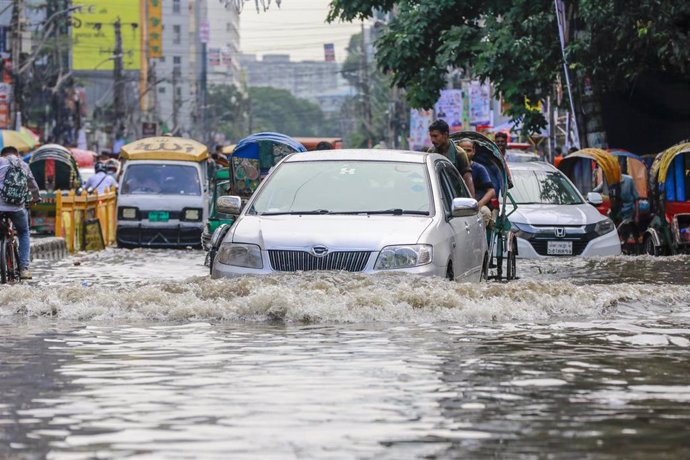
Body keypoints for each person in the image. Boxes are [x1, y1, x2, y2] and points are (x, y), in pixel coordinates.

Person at [0, 146, 41, 279]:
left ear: (2, 155)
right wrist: (35, 199)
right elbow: (33, 186)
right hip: (17, 207)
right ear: (17, 154)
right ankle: (24, 268)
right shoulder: (23, 164)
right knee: (23, 232)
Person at [427, 119, 475, 196]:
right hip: (436, 197)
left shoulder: (460, 153)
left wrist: (472, 203)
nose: (432, 140)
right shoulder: (430, 153)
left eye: (435, 136)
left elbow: (468, 179)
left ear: (445, 135)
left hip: (454, 197)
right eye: (431, 136)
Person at [459, 138, 496, 228]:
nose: (466, 153)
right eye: (463, 150)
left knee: (485, 213)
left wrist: (478, 205)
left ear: (473, 152)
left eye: (469, 150)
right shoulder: (452, 166)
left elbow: (491, 191)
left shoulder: (479, 169)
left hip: (477, 204)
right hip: (457, 205)